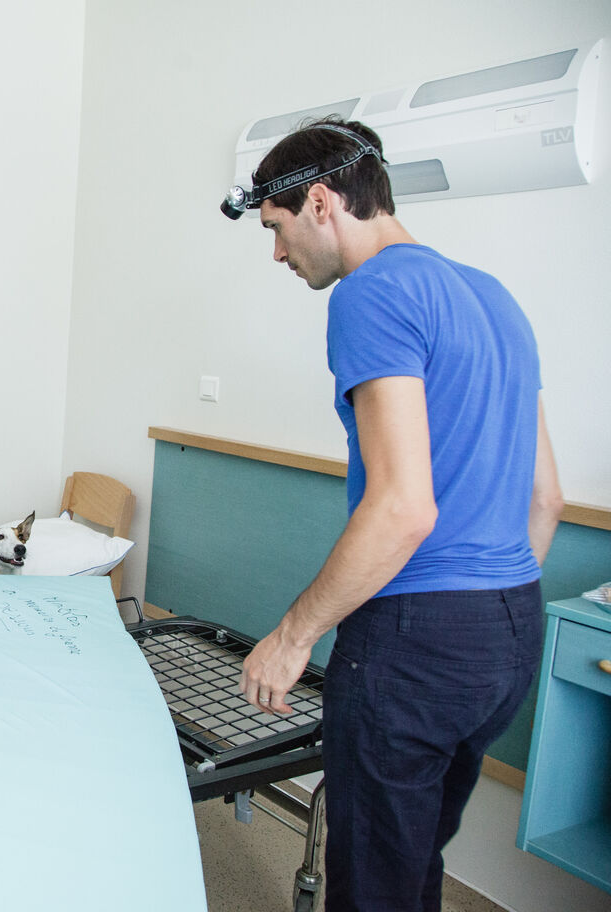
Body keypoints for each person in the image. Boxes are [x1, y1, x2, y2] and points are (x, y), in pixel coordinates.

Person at [224, 118, 563, 912]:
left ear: (319, 203)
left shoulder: (371, 292)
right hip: (512, 627)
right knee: (411, 861)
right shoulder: (494, 297)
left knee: (374, 882)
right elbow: (545, 498)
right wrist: (483, 611)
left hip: (416, 643)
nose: (278, 254)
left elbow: (404, 507)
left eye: (274, 229)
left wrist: (291, 639)